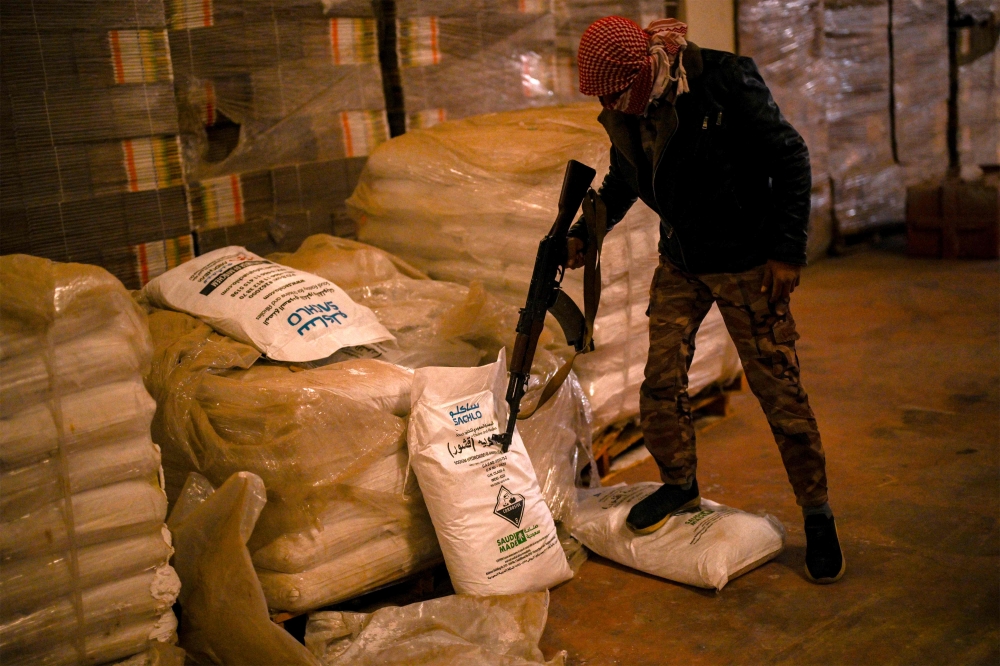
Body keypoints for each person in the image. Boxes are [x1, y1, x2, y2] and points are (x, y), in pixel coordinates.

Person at [565, 16, 844, 584]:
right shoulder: (629, 108)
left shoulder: (723, 80)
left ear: (644, 69)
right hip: (683, 260)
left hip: (747, 262)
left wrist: (787, 250)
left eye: (615, 91)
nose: (609, 103)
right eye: (603, 96)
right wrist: (585, 232)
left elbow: (790, 157)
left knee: (779, 391)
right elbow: (624, 177)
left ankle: (817, 515)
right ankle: (679, 484)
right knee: (660, 380)